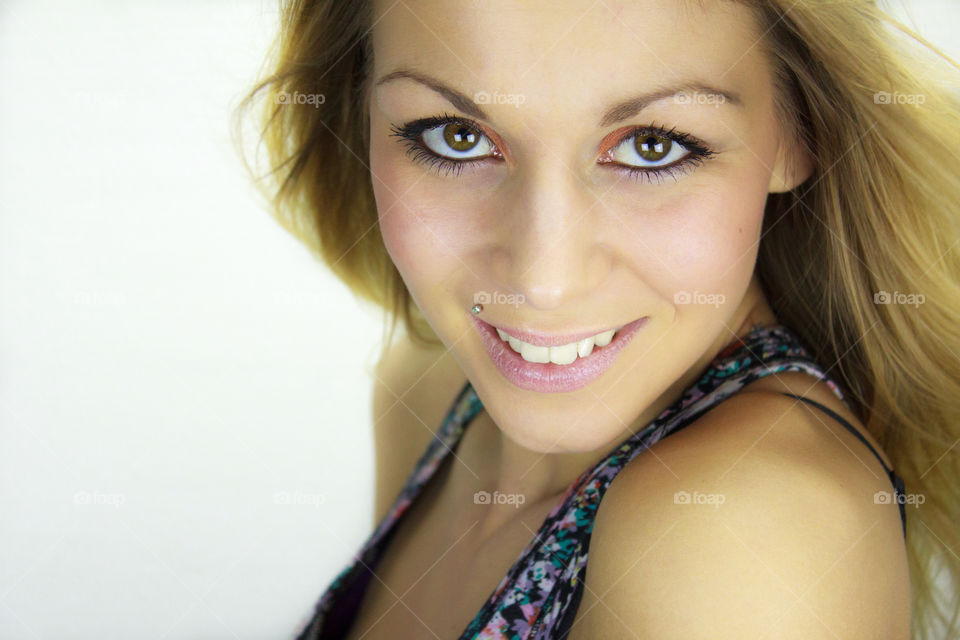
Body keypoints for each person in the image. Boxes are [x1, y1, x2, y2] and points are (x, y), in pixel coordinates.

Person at [234, 1, 960, 638]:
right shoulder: (428, 391)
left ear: (802, 132)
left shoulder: (741, 529)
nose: (542, 281)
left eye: (652, 146)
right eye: (455, 136)